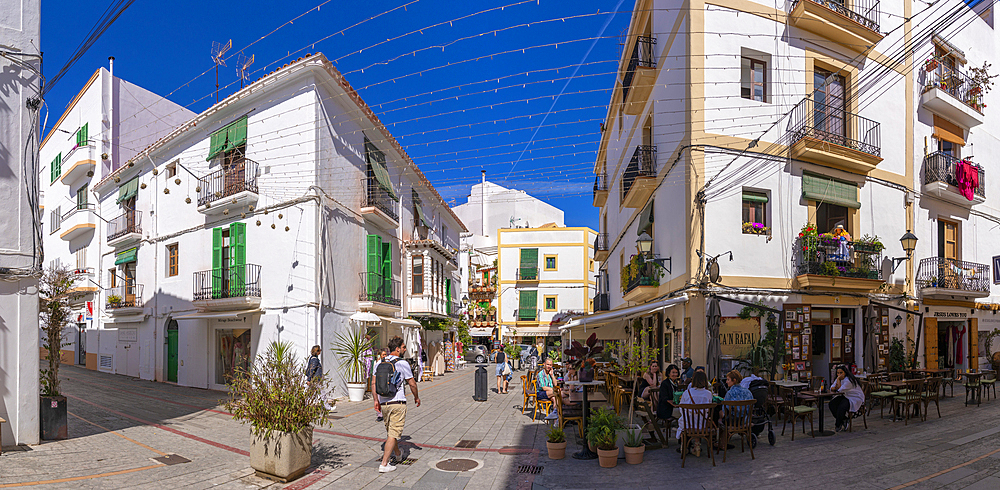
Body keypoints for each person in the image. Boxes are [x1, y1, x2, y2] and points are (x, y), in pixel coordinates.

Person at [375, 336, 420, 474]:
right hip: (398, 402)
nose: (405, 349)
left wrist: (376, 401)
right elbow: (412, 383)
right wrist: (416, 397)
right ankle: (384, 464)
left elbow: (373, 383)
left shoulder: (379, 362)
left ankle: (398, 455)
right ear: (397, 348)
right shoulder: (402, 363)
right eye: (404, 347)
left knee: (391, 432)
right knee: (393, 434)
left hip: (384, 403)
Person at [676, 370, 714, 456]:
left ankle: (684, 446)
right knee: (697, 422)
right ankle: (697, 446)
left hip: (688, 424)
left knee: (684, 423)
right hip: (702, 424)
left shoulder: (687, 393)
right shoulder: (708, 394)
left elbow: (681, 408)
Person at [829, 364, 865, 432]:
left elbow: (839, 389)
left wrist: (838, 380)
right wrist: (836, 384)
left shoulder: (848, 380)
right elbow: (832, 387)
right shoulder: (838, 379)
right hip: (846, 395)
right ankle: (844, 419)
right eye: (838, 373)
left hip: (855, 397)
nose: (839, 374)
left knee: (841, 406)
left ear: (845, 373)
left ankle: (838, 424)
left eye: (841, 373)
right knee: (832, 404)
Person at [371, 348, 388, 422]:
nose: (385, 356)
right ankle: (379, 414)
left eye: (385, 354)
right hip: (379, 383)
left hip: (385, 383)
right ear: (380, 356)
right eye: (383, 355)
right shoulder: (378, 364)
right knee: (379, 399)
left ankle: (385, 414)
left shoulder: (388, 363)